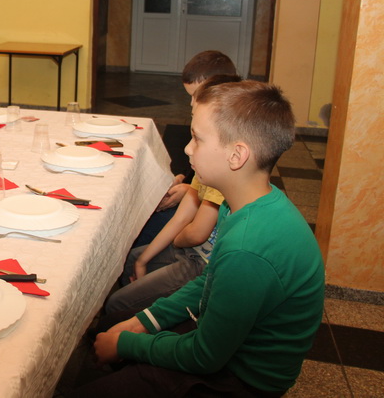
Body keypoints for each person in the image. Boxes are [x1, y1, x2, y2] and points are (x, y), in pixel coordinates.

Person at [83, 81, 325, 397]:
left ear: (237, 155)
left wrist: (128, 343)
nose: (187, 148)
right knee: (113, 323)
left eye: (197, 138)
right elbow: (209, 281)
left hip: (242, 379)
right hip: (225, 348)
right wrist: (144, 321)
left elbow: (205, 356)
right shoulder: (242, 204)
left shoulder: (247, 248)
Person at [102, 75, 241, 319]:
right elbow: (183, 217)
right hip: (190, 249)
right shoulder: (204, 169)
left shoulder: (217, 176)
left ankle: (137, 325)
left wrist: (174, 242)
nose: (187, 148)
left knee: (117, 303)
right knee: (133, 259)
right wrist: (144, 260)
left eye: (197, 138)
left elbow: (195, 233)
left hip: (200, 261)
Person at [133, 50, 237, 247]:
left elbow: (217, 201)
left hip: (206, 224)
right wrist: (184, 180)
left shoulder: (228, 140)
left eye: (197, 95)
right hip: (198, 201)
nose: (191, 103)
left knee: (140, 226)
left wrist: (190, 192)